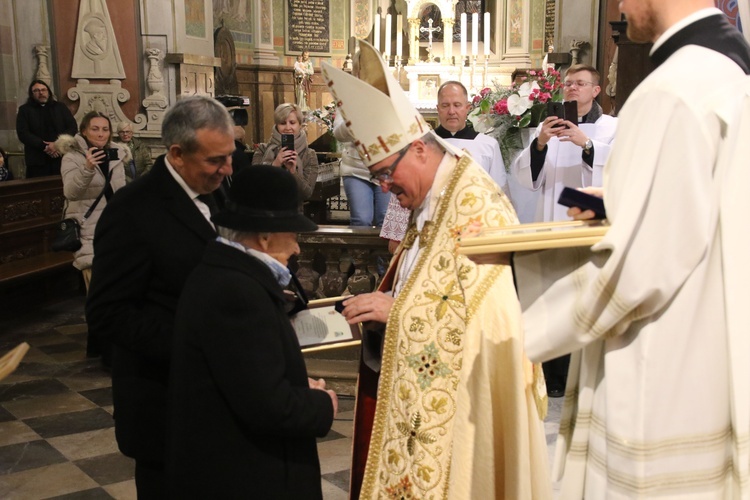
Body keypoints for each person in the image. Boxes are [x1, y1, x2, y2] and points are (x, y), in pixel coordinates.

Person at [507, 1, 750, 497]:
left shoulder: (670, 91)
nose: (619, 5)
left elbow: (642, 267)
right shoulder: (727, 73)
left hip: (661, 362)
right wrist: (618, 200)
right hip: (715, 344)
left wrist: (519, 331)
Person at [322, 40, 550, 499]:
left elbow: (491, 319)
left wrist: (400, 309)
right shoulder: (433, 194)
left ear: (421, 152)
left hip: (464, 407)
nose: (385, 186)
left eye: (387, 173)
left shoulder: (474, 202)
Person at [85, 96, 235, 498]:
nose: (227, 169)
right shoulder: (133, 211)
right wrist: (195, 343)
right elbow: (108, 313)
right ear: (177, 153)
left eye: (230, 156)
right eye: (215, 160)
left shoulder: (217, 190)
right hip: (164, 401)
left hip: (216, 401)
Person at [166, 166, 336, 498]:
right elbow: (267, 405)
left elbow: (248, 377)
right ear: (266, 236)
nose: (298, 248)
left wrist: (297, 385)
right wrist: (321, 404)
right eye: (294, 234)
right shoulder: (236, 292)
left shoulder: (226, 275)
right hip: (245, 476)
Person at [379, 80, 511, 250]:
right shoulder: (420, 145)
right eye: (445, 105)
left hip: (473, 232)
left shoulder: (488, 145)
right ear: (437, 108)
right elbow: (405, 192)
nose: (451, 111)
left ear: (467, 108)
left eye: (457, 105)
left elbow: (499, 194)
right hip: (428, 233)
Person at [511, 64, 617, 223]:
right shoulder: (546, 127)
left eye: (580, 84)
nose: (573, 87)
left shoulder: (613, 126)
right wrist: (539, 144)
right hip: (553, 206)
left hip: (592, 211)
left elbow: (618, 167)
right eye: (568, 84)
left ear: (596, 91)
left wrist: (587, 144)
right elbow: (525, 175)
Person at [57, 112, 128, 292]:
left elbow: (120, 192)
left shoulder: (117, 155)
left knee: (120, 289)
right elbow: (71, 193)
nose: (100, 134)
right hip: (88, 230)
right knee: (97, 291)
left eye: (105, 129)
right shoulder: (72, 157)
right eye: (95, 129)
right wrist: (87, 168)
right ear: (84, 131)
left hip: (115, 228)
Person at [333, 108, 390, 227]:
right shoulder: (348, 97)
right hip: (356, 168)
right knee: (361, 220)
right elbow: (338, 134)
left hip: (386, 167)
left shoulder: (388, 97)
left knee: (386, 222)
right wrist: (354, 118)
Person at [252, 102, 318, 202]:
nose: (287, 128)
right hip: (264, 210)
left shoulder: (309, 155)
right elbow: (254, 186)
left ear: (300, 124)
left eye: (292, 122)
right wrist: (275, 165)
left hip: (293, 212)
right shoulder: (262, 150)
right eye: (283, 123)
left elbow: (306, 193)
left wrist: (293, 172)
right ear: (277, 125)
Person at [16, 79, 77, 178]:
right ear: (31, 94)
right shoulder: (25, 110)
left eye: (44, 90)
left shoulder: (60, 107)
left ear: (48, 92)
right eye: (36, 91)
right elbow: (23, 133)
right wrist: (45, 146)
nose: (41, 93)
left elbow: (72, 127)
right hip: (37, 160)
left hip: (61, 156)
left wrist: (57, 144)